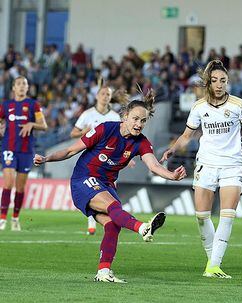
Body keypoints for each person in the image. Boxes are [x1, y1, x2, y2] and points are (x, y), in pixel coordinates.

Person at [34, 89, 187, 283]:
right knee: (114, 208)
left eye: (143, 121)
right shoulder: (105, 129)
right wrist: (47, 158)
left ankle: (104, 272)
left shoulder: (141, 143)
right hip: (84, 179)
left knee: (113, 225)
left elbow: (154, 165)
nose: (139, 124)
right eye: (135, 119)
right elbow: (71, 150)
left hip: (106, 185)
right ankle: (142, 228)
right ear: (124, 117)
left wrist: (171, 175)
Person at [161, 60, 242, 279]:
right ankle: (212, 262)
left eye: (223, 80)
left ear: (228, 82)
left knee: (227, 216)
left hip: (232, 165)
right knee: (202, 217)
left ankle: (214, 266)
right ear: (208, 83)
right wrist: (172, 150)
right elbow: (186, 135)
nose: (219, 84)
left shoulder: (239, 105)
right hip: (206, 164)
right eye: (214, 80)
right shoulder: (199, 107)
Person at [71, 80, 127, 235]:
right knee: (92, 189)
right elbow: (73, 133)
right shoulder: (87, 114)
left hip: (110, 162)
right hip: (91, 160)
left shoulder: (115, 117)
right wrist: (84, 132)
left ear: (111, 97)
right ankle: (92, 220)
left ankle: (108, 218)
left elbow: (123, 139)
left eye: (108, 94)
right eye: (103, 93)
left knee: (108, 190)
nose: (105, 96)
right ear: (96, 96)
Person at [0, 76, 48, 231]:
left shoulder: (33, 105)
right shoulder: (6, 105)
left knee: (20, 188)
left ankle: (15, 218)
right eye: (19, 84)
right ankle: (2, 219)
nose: (21, 86)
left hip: (26, 151)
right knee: (8, 182)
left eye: (24, 84)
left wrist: (31, 124)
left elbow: (44, 125)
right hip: (8, 147)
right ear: (13, 87)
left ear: (27, 88)